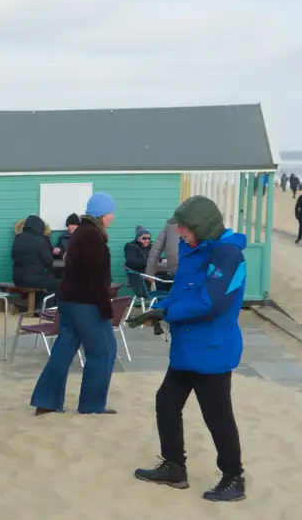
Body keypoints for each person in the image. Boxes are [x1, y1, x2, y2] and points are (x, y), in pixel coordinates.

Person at [128, 196, 247, 502]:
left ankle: (234, 478)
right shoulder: (193, 248)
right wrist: (158, 307)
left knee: (217, 415)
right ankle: (174, 467)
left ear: (202, 225)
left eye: (184, 227)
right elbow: (184, 293)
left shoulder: (227, 254)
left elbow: (211, 303)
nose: (179, 231)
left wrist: (166, 314)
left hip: (212, 348)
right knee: (166, 402)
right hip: (186, 346)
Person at [30, 193, 118, 417]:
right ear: (101, 215)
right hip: (86, 304)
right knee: (103, 352)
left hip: (69, 302)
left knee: (63, 350)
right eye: (110, 213)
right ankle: (92, 404)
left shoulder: (81, 233)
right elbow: (95, 276)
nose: (113, 217)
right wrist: (106, 308)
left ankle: (46, 401)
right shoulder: (92, 236)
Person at [10, 215, 58, 297]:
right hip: (34, 279)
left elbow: (13, 256)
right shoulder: (39, 240)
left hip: (17, 279)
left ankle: (35, 304)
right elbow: (49, 261)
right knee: (58, 284)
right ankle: (46, 306)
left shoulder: (18, 238)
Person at [123, 225, 152, 296]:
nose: (147, 240)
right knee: (164, 279)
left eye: (149, 238)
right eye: (144, 238)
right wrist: (150, 262)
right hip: (138, 276)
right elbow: (131, 262)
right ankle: (159, 297)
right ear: (138, 238)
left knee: (169, 275)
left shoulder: (150, 247)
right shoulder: (131, 246)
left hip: (150, 274)